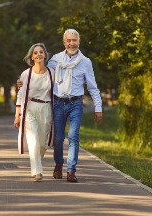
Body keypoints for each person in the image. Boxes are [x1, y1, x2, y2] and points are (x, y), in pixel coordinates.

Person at [18, 29, 103, 183]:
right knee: (58, 139)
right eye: (68, 41)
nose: (72, 43)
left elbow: (92, 87)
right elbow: (42, 74)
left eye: (74, 40)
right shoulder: (55, 60)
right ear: (64, 43)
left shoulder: (86, 62)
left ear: (79, 41)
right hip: (57, 103)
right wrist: (22, 83)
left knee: (73, 137)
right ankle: (58, 165)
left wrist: (98, 108)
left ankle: (71, 170)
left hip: (76, 103)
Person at [14, 43, 54, 182]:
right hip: (29, 108)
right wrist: (17, 115)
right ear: (31, 57)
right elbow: (20, 94)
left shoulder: (51, 72)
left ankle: (38, 163)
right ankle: (37, 171)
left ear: (45, 55)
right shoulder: (26, 74)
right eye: (35, 53)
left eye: (41, 52)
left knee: (43, 143)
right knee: (33, 141)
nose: (38, 54)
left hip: (46, 108)